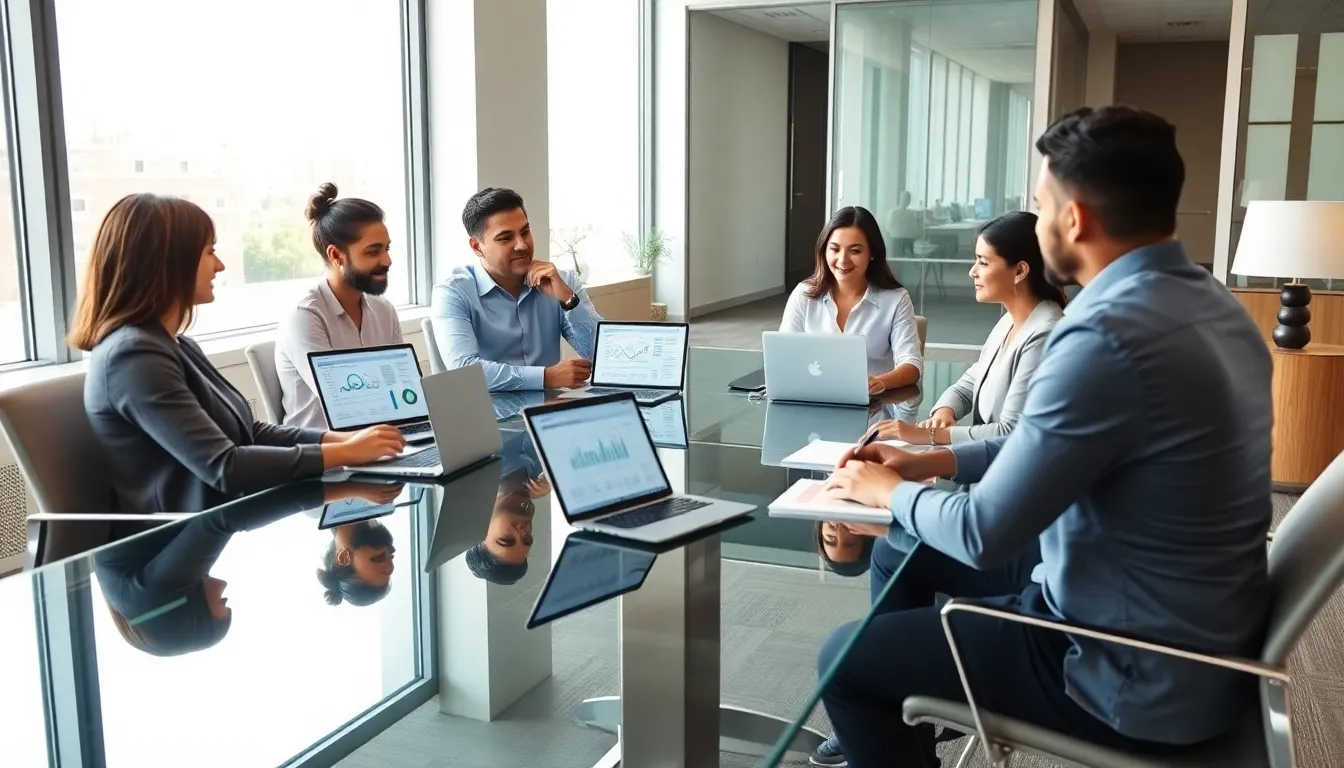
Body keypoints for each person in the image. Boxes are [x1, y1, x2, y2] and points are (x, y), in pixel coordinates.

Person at [813, 106, 1272, 767]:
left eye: (1040, 202)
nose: (1036, 217)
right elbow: (1045, 445)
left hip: (1123, 670)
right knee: (905, 551)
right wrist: (930, 459)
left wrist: (886, 492)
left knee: (842, 661)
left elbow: (983, 533)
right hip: (1189, 638)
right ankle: (913, 714)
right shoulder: (1216, 307)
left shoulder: (1105, 336)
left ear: (1074, 219)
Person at [72, 194, 407, 515]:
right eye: (208, 252)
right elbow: (225, 467)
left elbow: (250, 432)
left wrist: (342, 441)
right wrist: (344, 452)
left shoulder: (175, 345)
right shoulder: (133, 357)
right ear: (167, 262)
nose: (219, 265)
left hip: (215, 529)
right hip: (165, 550)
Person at [869, 211, 1066, 447]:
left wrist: (927, 436)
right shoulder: (1010, 321)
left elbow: (1010, 432)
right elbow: (970, 383)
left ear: (1020, 271)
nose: (973, 271)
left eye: (983, 262)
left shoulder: (1044, 334)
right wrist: (944, 411)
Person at [431, 187, 603, 392]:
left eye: (525, 232)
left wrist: (567, 299)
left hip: (551, 413)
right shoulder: (452, 293)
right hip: (493, 419)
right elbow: (465, 370)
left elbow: (604, 357)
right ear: (477, 247)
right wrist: (545, 377)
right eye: (505, 238)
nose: (522, 245)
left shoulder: (560, 280)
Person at [275, 183, 403, 428]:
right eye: (372, 252)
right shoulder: (304, 315)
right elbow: (345, 404)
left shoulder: (384, 309)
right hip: (325, 453)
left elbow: (401, 386)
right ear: (336, 256)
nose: (387, 261)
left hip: (382, 438)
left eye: (386, 249)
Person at [781, 206, 923, 396]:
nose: (843, 260)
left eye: (855, 251)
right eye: (835, 249)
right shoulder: (803, 294)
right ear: (824, 250)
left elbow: (912, 366)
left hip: (874, 409)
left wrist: (878, 382)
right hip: (812, 400)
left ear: (872, 253)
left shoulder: (896, 299)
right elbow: (783, 355)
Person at [319, 517, 399, 607]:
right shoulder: (378, 505)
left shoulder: (314, 506)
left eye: (379, 558)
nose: (391, 567)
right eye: (391, 557)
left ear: (343, 557)